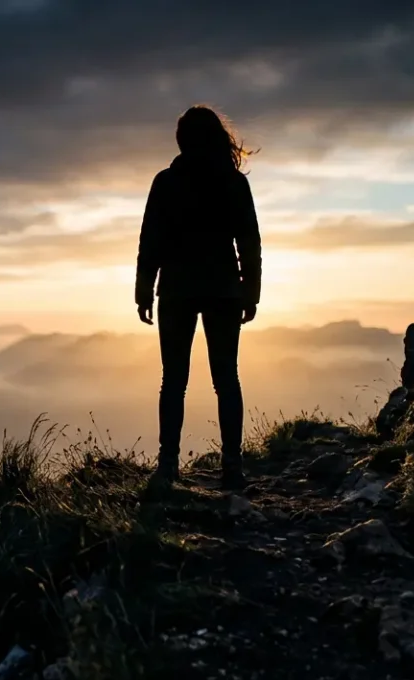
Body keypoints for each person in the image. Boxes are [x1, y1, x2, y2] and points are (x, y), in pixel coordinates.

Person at [134, 105, 262, 490]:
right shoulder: (233, 182)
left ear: (182, 141)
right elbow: (249, 242)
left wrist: (143, 290)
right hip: (224, 289)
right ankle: (232, 467)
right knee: (227, 379)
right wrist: (250, 292)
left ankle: (167, 466)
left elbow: (150, 240)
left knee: (173, 380)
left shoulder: (166, 182)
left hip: (177, 289)